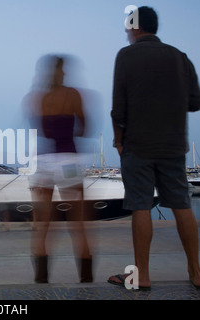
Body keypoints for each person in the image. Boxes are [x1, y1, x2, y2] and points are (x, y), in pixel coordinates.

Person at [109, 6, 200, 290]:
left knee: (140, 206)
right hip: (173, 145)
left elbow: (118, 108)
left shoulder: (127, 56)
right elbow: (195, 102)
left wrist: (119, 141)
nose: (126, 34)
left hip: (138, 145)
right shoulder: (180, 58)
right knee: (183, 205)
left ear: (136, 28)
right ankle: (197, 272)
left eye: (127, 29)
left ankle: (142, 275)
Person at [24, 54, 93, 283]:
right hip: (68, 162)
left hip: (44, 162)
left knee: (43, 225)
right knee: (78, 224)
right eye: (62, 70)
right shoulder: (73, 95)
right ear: (59, 71)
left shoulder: (35, 98)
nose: (64, 74)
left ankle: (41, 278)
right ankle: (85, 278)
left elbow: (39, 128)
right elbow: (85, 127)